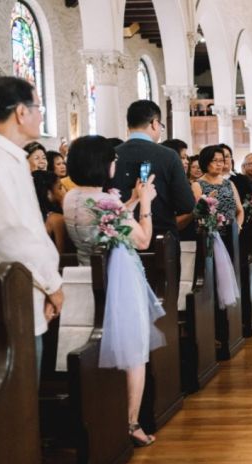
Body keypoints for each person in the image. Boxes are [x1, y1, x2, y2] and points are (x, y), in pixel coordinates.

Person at [62, 135, 162, 447]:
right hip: (121, 281)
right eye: (112, 160)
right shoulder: (107, 201)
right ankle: (132, 423)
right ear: (100, 164)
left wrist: (128, 201)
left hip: (90, 278)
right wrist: (145, 202)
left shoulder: (72, 197)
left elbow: (109, 224)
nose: (115, 164)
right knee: (136, 351)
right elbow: (142, 240)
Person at [0, 76, 63, 377]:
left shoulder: (10, 159)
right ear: (21, 112)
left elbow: (31, 229)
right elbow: (10, 236)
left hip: (25, 292)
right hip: (4, 301)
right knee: (15, 408)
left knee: (26, 401)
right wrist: (52, 285)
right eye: (38, 106)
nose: (41, 114)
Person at [107, 100, 195, 240]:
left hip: (120, 236)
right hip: (162, 237)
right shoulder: (168, 156)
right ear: (154, 123)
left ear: (129, 125)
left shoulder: (109, 155)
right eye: (161, 125)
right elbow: (186, 204)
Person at [190, 145, 244, 229]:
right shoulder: (197, 184)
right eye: (214, 161)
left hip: (232, 233)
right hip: (210, 232)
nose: (219, 164)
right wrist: (205, 202)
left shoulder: (229, 183)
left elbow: (240, 210)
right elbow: (196, 213)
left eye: (221, 161)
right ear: (205, 162)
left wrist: (238, 225)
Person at [31, 170, 66, 252]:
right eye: (59, 188)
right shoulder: (57, 219)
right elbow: (62, 256)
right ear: (48, 194)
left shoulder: (29, 216)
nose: (63, 191)